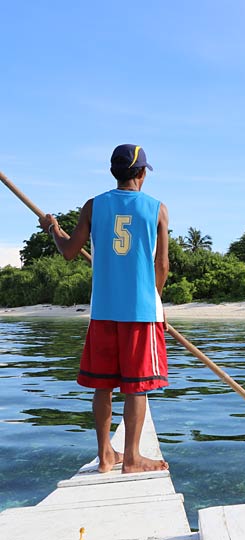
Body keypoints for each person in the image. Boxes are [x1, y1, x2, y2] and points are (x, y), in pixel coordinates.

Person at [40, 144, 170, 473]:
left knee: (103, 384)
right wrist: (156, 302)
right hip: (140, 312)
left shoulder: (93, 206)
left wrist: (54, 230)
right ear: (141, 173)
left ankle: (105, 456)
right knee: (137, 386)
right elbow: (163, 266)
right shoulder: (157, 209)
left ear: (114, 172)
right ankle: (132, 457)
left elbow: (69, 251)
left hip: (103, 311)